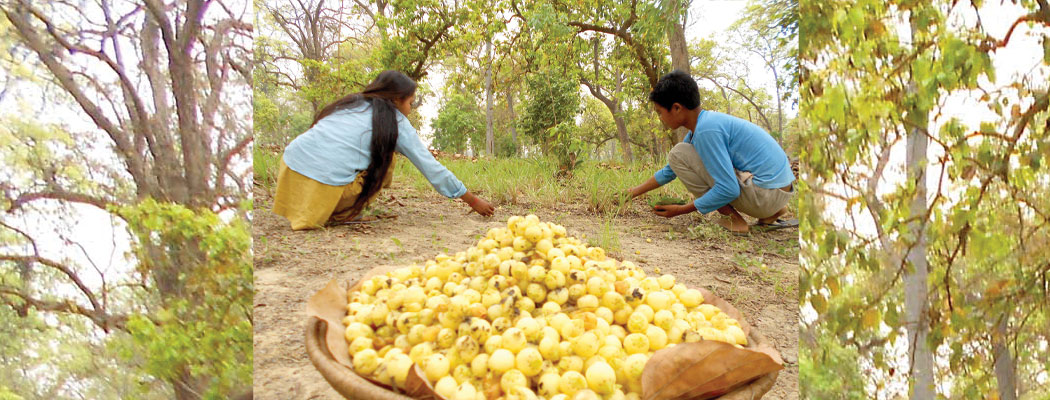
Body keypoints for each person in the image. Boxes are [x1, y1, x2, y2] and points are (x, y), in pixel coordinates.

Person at [273, 70, 495, 230]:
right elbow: (431, 167)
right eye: (410, 102)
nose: (410, 108)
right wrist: (472, 200)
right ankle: (340, 211)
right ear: (397, 100)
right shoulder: (395, 122)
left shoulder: (351, 103)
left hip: (290, 167)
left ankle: (307, 207)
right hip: (322, 185)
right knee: (386, 157)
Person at [625, 70, 797, 234]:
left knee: (677, 153)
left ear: (677, 108)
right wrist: (633, 192)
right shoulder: (705, 124)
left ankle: (734, 221)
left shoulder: (706, 131)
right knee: (680, 154)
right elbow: (670, 171)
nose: (660, 118)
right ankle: (772, 212)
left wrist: (682, 210)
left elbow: (729, 189)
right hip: (778, 192)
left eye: (660, 112)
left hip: (764, 196)